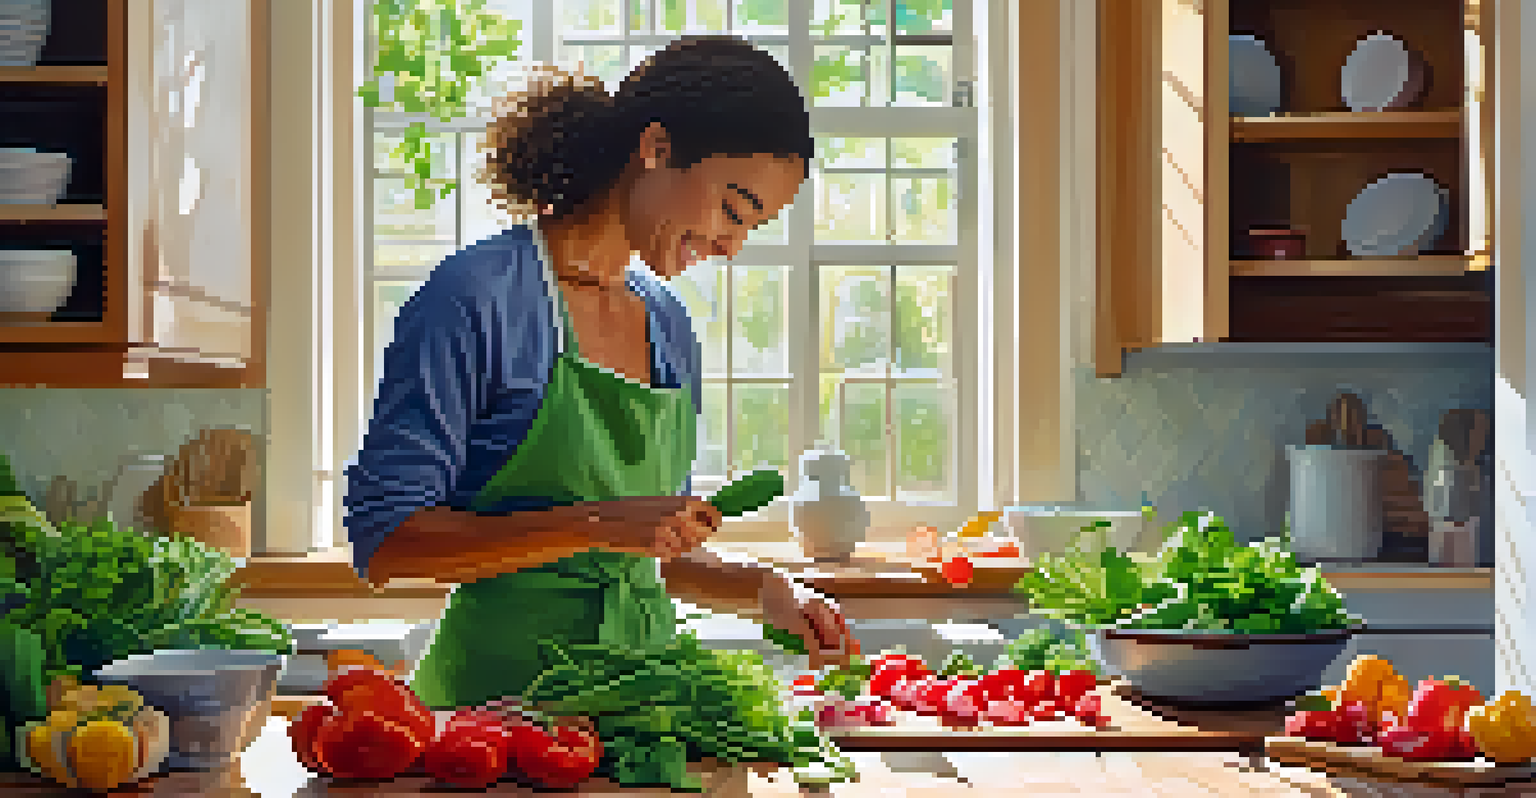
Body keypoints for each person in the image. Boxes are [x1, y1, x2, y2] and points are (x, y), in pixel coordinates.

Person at [344, 35, 858, 710]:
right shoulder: (475, 298)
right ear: (657, 148)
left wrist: (766, 590)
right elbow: (386, 542)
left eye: (751, 227)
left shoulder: (667, 324)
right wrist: (593, 523)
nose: (732, 247)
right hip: (493, 726)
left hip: (640, 708)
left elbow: (649, 547)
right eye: (733, 209)